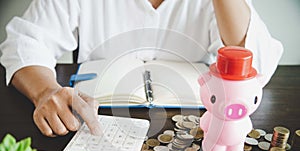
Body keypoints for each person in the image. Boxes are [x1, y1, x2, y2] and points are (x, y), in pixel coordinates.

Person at [0, 0, 283, 137]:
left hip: (191, 128)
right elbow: (26, 41)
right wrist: (46, 91)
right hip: (95, 119)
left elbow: (256, 66)